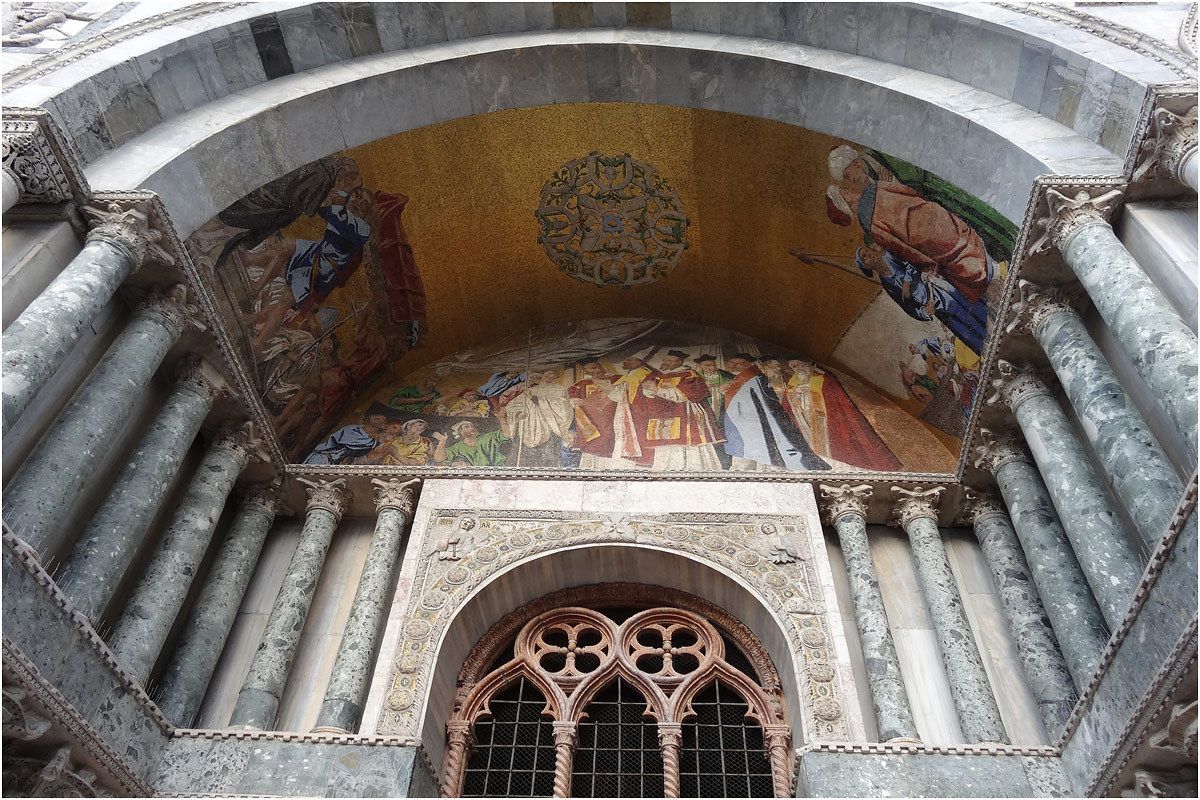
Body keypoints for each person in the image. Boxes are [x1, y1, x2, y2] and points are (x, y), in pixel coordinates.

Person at [827, 145, 993, 356]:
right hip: (936, 300)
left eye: (866, 253)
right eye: (865, 259)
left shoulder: (876, 190)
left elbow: (906, 253)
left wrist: (912, 277)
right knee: (965, 326)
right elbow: (906, 303)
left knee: (972, 300)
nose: (868, 256)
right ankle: (987, 347)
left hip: (937, 256)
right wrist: (924, 310)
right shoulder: (887, 281)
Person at [721, 354, 830, 471]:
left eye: (738, 364)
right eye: (731, 364)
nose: (733, 367)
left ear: (748, 364)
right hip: (747, 425)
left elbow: (770, 401)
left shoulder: (755, 378)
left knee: (777, 446)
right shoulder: (740, 381)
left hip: (768, 422)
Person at [641, 350, 723, 471]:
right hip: (664, 413)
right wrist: (648, 389)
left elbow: (683, 394)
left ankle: (693, 470)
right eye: (665, 360)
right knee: (666, 442)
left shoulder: (689, 374)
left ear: (679, 362)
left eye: (670, 360)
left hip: (686, 412)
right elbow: (651, 393)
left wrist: (657, 390)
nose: (666, 363)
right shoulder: (660, 376)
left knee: (689, 442)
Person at [568, 361, 632, 470]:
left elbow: (625, 387)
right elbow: (572, 390)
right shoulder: (584, 383)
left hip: (609, 418)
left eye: (594, 368)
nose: (593, 372)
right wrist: (573, 399)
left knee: (607, 443)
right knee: (591, 445)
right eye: (589, 370)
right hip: (590, 420)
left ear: (601, 366)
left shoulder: (615, 379)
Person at [505, 369, 574, 469]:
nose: (550, 376)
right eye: (548, 373)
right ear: (542, 375)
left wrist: (536, 399)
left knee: (548, 456)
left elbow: (563, 406)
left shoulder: (559, 389)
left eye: (553, 374)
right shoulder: (532, 389)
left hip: (550, 428)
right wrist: (518, 412)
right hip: (529, 428)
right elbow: (511, 406)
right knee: (527, 458)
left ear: (556, 377)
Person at [432, 407, 512, 467]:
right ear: (460, 432)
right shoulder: (457, 448)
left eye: (472, 426)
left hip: (495, 472)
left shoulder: (487, 438)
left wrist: (501, 418)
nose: (471, 428)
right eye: (466, 427)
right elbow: (439, 458)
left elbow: (507, 434)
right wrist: (442, 442)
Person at [303, 413, 388, 464]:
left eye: (383, 420)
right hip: (323, 458)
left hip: (336, 464)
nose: (381, 421)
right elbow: (353, 445)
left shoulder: (373, 441)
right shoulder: (352, 430)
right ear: (370, 419)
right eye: (377, 418)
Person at [694, 354, 733, 420]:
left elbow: (735, 384)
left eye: (713, 365)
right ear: (700, 366)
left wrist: (728, 386)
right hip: (706, 402)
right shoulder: (695, 376)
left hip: (722, 402)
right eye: (707, 365)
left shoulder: (726, 375)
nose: (712, 368)